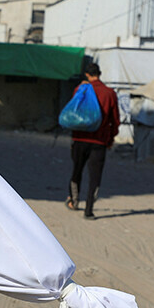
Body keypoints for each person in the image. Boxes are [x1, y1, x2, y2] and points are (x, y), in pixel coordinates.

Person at [65, 63, 119, 219]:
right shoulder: (109, 93)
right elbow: (115, 121)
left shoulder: (80, 90)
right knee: (95, 177)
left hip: (79, 138)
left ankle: (73, 202)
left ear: (87, 75)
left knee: (77, 170)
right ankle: (89, 210)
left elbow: (72, 113)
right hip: (99, 141)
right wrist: (110, 139)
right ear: (99, 74)